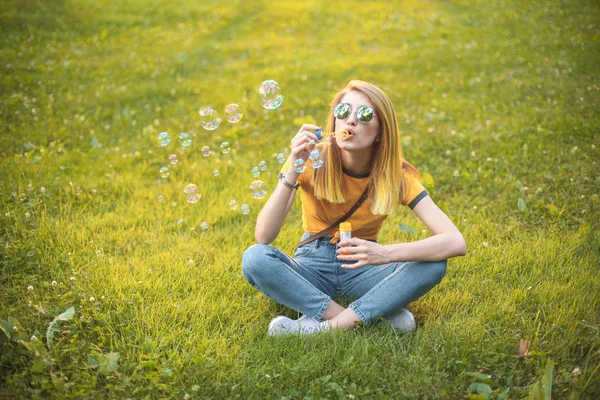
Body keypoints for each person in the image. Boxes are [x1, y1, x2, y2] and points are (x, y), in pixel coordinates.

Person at [242, 80, 467, 336]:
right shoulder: (309, 159)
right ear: (335, 121)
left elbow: (455, 242)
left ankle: (318, 327)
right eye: (343, 111)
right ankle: (363, 318)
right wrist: (294, 165)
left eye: (364, 115)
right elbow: (264, 236)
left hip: (364, 267)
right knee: (255, 258)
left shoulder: (395, 175)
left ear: (381, 131)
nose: (350, 121)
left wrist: (384, 254)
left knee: (434, 264)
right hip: (312, 266)